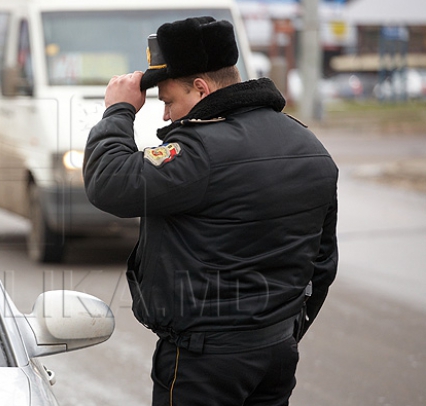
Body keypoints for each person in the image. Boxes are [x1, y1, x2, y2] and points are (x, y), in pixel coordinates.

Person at [82, 16, 338, 406]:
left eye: (168, 101)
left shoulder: (200, 151)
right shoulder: (307, 144)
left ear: (200, 88)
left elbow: (108, 182)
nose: (166, 115)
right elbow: (321, 262)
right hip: (276, 353)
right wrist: (282, 331)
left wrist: (119, 111)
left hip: (206, 361)